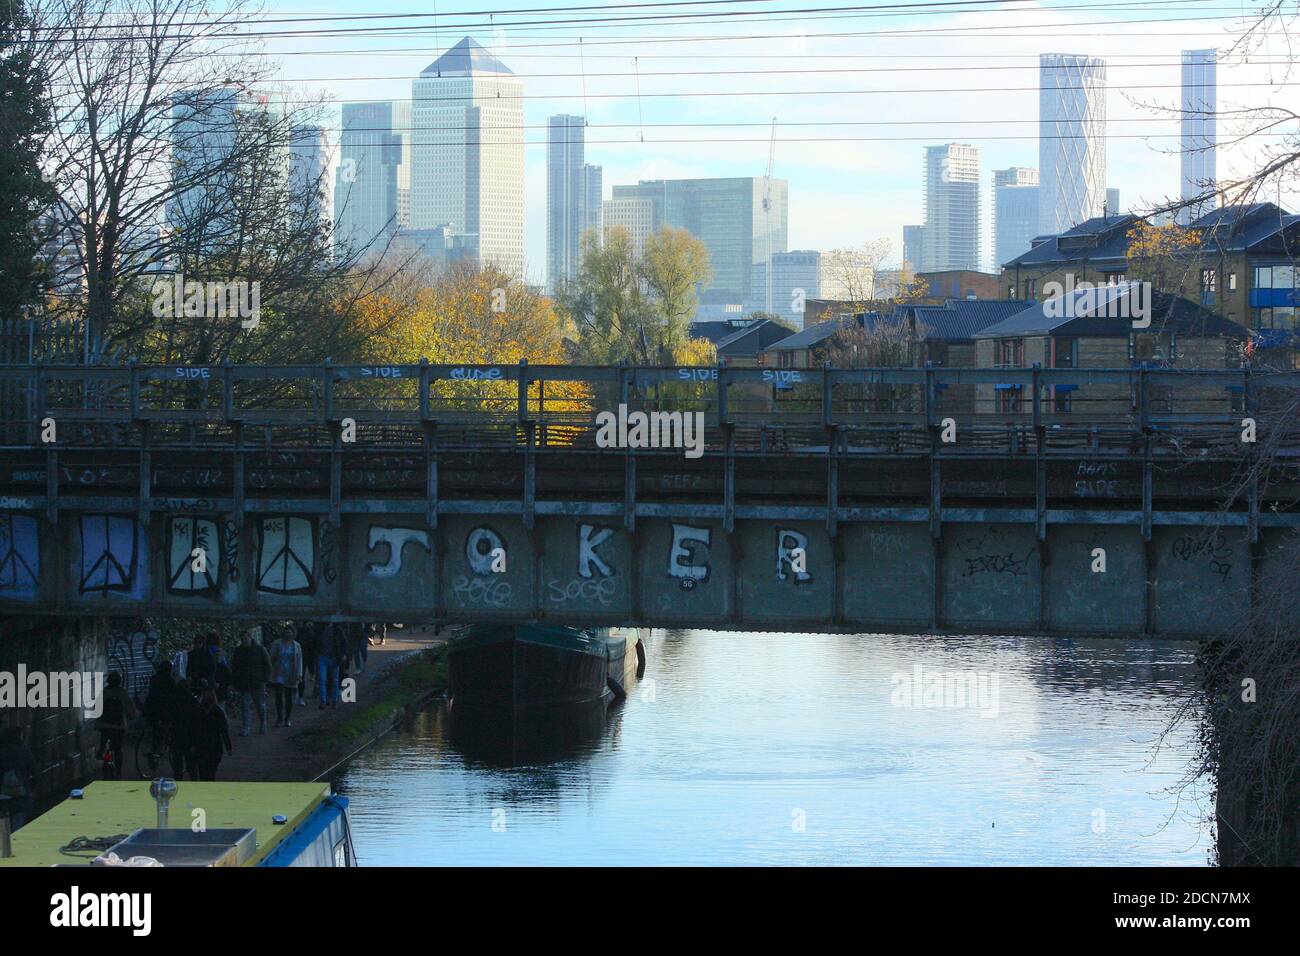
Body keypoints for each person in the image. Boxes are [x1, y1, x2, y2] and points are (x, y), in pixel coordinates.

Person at [231, 630, 271, 736]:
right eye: (242, 639)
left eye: (246, 638)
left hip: (258, 682)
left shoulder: (260, 649)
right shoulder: (238, 651)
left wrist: (265, 679)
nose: (244, 641)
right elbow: (235, 667)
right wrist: (236, 680)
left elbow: (267, 664)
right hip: (244, 682)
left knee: (260, 705)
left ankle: (263, 723)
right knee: (245, 705)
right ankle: (246, 728)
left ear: (250, 637)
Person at [97, 672, 136, 780]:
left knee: (105, 744)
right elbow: (131, 711)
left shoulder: (103, 693)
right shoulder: (122, 693)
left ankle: (102, 752)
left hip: (104, 726)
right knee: (118, 749)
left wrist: (97, 723)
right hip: (119, 727)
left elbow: (96, 710)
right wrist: (132, 718)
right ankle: (118, 772)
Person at [190, 689, 232, 781]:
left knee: (206, 773)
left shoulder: (201, 711)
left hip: (208, 747)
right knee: (208, 773)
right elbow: (224, 731)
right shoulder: (216, 711)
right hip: (209, 747)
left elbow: (193, 730)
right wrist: (228, 747)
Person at [0, 727, 36, 829]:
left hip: (2, 795)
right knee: (18, 819)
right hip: (21, 793)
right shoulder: (24, 751)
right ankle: (14, 839)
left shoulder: (1, 751)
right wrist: (33, 787)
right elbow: (33, 771)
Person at [268, 628, 303, 728]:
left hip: (291, 674)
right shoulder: (277, 643)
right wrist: (270, 670)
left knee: (289, 698)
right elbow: (271, 657)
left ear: (293, 633)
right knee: (278, 696)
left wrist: (300, 674)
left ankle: (287, 718)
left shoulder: (297, 646)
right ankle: (279, 717)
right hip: (279, 673)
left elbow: (300, 660)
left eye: (290, 632)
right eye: (286, 632)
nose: (288, 633)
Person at [168, 679, 197, 780]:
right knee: (191, 764)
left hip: (176, 735)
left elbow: (169, 717)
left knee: (177, 763)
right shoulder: (192, 701)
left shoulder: (173, 700)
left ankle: (179, 781)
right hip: (190, 736)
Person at [317, 621, 345, 709]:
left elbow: (344, 642)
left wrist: (342, 654)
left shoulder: (337, 630)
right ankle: (323, 700)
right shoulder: (320, 629)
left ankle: (334, 700)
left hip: (334, 657)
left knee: (334, 680)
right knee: (323, 679)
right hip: (323, 656)